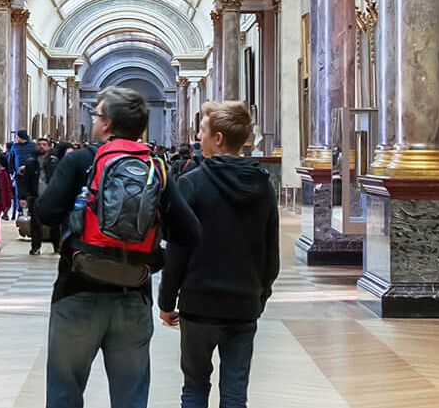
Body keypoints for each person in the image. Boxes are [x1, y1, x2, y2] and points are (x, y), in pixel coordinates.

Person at [35, 86, 201, 408]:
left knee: (64, 393)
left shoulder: (82, 160)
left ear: (108, 123)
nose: (94, 120)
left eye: (97, 115)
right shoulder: (157, 167)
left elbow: (46, 212)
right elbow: (190, 232)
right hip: (132, 295)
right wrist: (153, 252)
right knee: (130, 399)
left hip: (77, 291)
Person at [158, 101, 280, 408]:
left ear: (219, 138)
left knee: (195, 385)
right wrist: (259, 295)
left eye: (202, 131)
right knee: (235, 392)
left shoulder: (191, 184)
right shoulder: (264, 186)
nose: (198, 137)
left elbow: (177, 250)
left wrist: (167, 302)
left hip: (199, 304)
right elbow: (271, 252)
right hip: (243, 304)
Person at [18, 136, 57, 255]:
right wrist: (24, 197)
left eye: (44, 144)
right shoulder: (31, 163)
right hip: (36, 196)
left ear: (49, 147)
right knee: (35, 223)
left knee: (55, 222)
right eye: (39, 144)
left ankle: (57, 245)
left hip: (51, 196)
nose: (41, 146)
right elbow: (25, 181)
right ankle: (36, 246)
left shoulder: (54, 162)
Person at [6, 129, 37, 216]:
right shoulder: (15, 147)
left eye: (18, 137)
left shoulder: (33, 146)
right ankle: (20, 210)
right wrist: (12, 172)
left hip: (31, 174)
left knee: (31, 191)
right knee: (19, 194)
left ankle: (30, 209)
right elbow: (10, 160)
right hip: (19, 174)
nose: (17, 139)